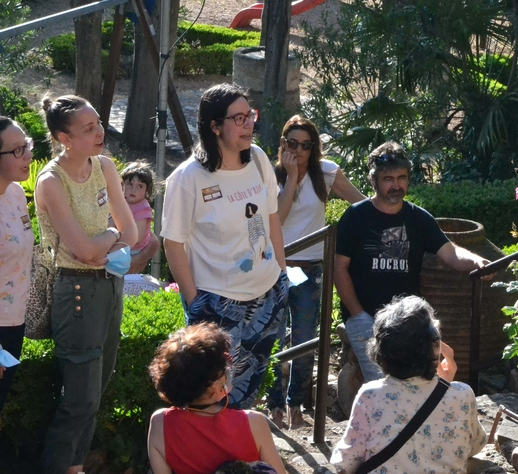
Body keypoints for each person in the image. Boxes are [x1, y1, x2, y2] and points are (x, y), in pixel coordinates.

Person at [31, 95, 138, 474]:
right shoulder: (51, 182)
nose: (101, 133)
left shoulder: (106, 167)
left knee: (98, 387)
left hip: (109, 285)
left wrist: (106, 242)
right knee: (78, 396)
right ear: (63, 138)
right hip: (73, 290)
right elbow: (80, 249)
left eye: (99, 124)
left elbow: (130, 230)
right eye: (90, 128)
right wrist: (107, 242)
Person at [161, 84, 289, 411]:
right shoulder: (187, 178)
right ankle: (211, 458)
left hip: (267, 294)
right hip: (217, 303)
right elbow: (173, 243)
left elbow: (271, 216)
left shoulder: (259, 160)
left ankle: (239, 457)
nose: (249, 124)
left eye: (251, 115)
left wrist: (282, 275)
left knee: (250, 390)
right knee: (213, 394)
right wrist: (196, 304)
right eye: (239, 118)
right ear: (215, 127)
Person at [334, 141, 491, 383]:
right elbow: (339, 267)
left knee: (417, 384)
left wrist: (477, 262)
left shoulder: (418, 218)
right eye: (388, 179)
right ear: (373, 180)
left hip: (408, 321)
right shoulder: (355, 217)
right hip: (365, 318)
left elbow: (451, 253)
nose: (396, 185)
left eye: (401, 177)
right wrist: (357, 314)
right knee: (382, 386)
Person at [330, 295, 487, 474]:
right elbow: (475, 445)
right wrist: (444, 386)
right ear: (434, 347)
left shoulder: (371, 395)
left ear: (380, 351)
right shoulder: (462, 393)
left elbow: (346, 463)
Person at [265, 116, 365, 429]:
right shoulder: (270, 174)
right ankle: (275, 408)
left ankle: (296, 405)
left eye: (305, 145)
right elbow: (277, 220)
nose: (298, 150)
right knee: (273, 340)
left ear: (314, 147)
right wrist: (292, 175)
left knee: (306, 339)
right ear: (283, 143)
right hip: (275, 267)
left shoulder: (326, 172)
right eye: (291, 143)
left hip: (309, 268)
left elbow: (360, 203)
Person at [147, 323, 291, 474]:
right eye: (224, 366)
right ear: (215, 389)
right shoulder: (253, 422)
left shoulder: (160, 423)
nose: (228, 367)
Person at [0, 116, 35, 474]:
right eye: (16, 150)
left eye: (25, 145)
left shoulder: (14, 194)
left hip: (13, 323)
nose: (27, 155)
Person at [120, 161, 161, 274]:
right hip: (123, 246)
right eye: (130, 184)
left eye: (140, 186)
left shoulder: (142, 207)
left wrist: (114, 237)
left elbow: (137, 238)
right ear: (122, 184)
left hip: (133, 251)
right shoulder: (120, 201)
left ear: (146, 191)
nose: (133, 190)